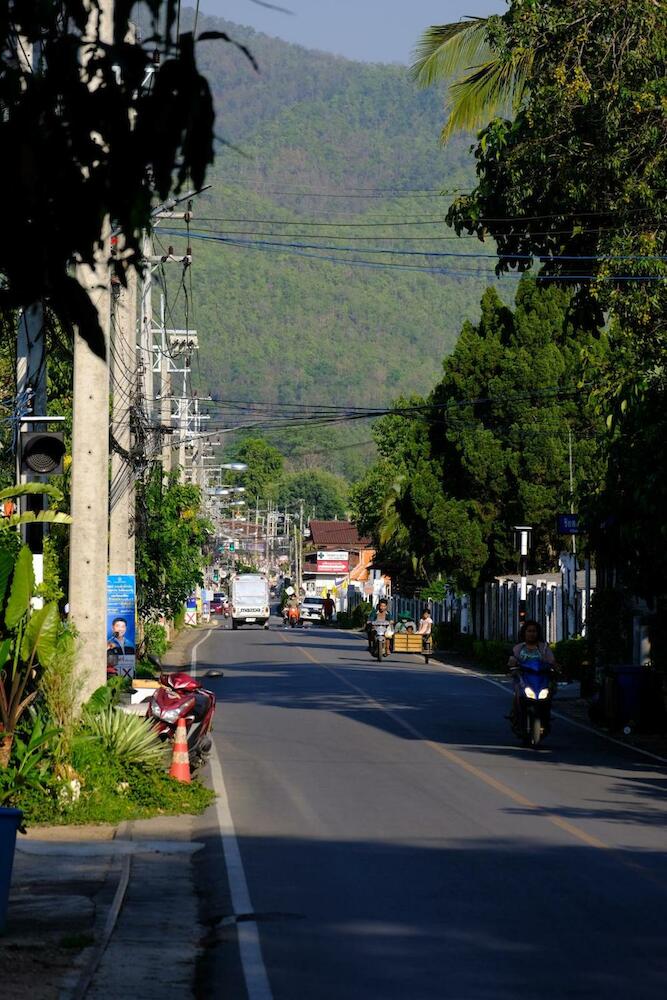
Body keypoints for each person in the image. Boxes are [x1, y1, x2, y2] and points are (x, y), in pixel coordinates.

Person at [507, 620, 557, 722]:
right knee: (518, 693)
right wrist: (512, 664)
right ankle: (515, 712)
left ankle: (546, 713)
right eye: (529, 631)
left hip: (541, 677)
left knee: (549, 691)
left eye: (534, 631)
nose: (531, 634)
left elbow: (551, 661)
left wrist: (555, 667)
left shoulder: (544, 648)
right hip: (523, 677)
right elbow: (512, 660)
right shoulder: (519, 648)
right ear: (524, 633)